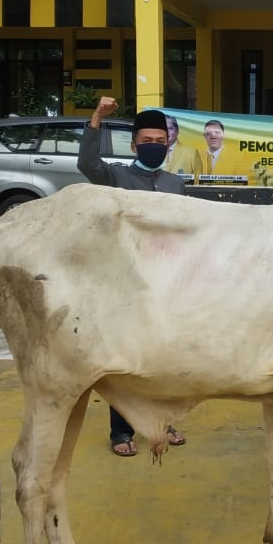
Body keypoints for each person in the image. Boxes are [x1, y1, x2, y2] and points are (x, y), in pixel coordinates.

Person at [79, 98, 187, 456]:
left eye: (160, 141)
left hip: (167, 286)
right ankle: (121, 432)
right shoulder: (116, 177)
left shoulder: (175, 183)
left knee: (165, 360)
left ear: (168, 144)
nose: (154, 146)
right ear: (134, 144)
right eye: (147, 141)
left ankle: (163, 423)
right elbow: (87, 163)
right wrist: (97, 118)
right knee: (127, 361)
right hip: (125, 284)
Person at [162, 113, 203, 178]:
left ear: (177, 131)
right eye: (163, 129)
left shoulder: (191, 153)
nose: (166, 132)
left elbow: (197, 183)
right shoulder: (152, 152)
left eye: (170, 128)